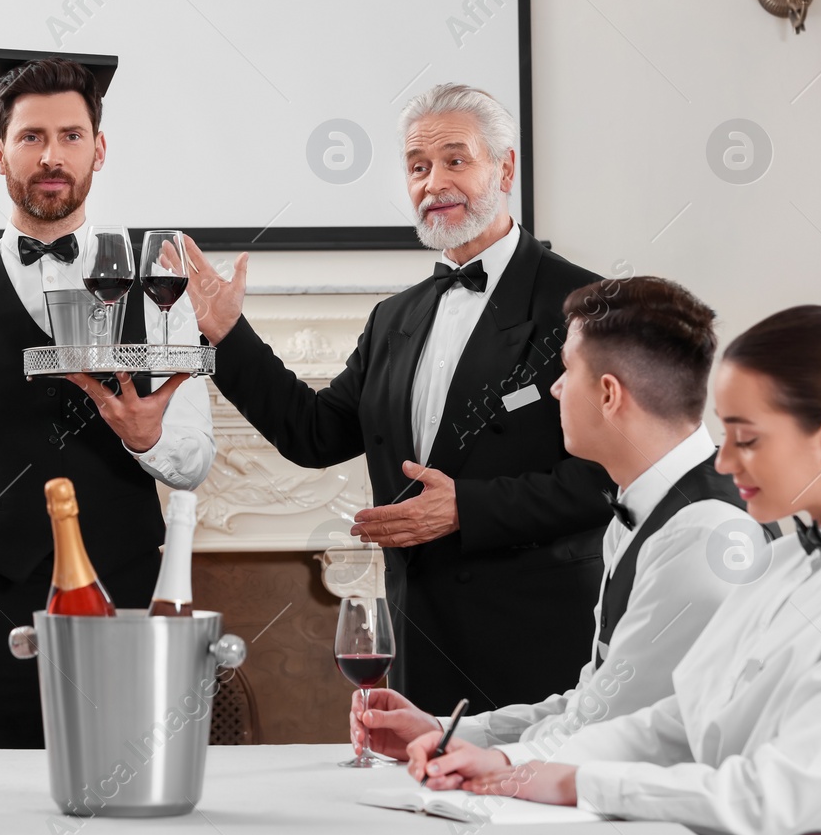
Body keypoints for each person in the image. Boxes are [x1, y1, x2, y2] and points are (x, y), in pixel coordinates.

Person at [410, 306, 821, 835]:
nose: (727, 460)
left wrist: (574, 783)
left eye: (747, 438)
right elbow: (681, 722)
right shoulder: (788, 559)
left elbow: (776, 806)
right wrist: (517, 767)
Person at [183, 83, 612, 713]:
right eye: (418, 167)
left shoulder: (584, 304)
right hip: (422, 639)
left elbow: (609, 477)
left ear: (506, 168)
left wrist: (467, 508)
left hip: (539, 646)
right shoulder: (394, 318)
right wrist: (226, 334)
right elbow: (313, 434)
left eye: (455, 160)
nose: (434, 182)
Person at [0, 52, 215, 748]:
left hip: (129, 595)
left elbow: (194, 460)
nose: (52, 156)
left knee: (127, 793)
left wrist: (147, 437)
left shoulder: (162, 282)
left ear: (99, 149)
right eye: (31, 138)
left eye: (71, 136)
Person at [350, 275, 768, 760]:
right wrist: (441, 730)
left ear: (609, 394)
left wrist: (491, 762)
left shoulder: (701, 534)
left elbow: (613, 735)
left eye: (567, 370)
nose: (554, 389)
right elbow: (591, 705)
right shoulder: (637, 514)